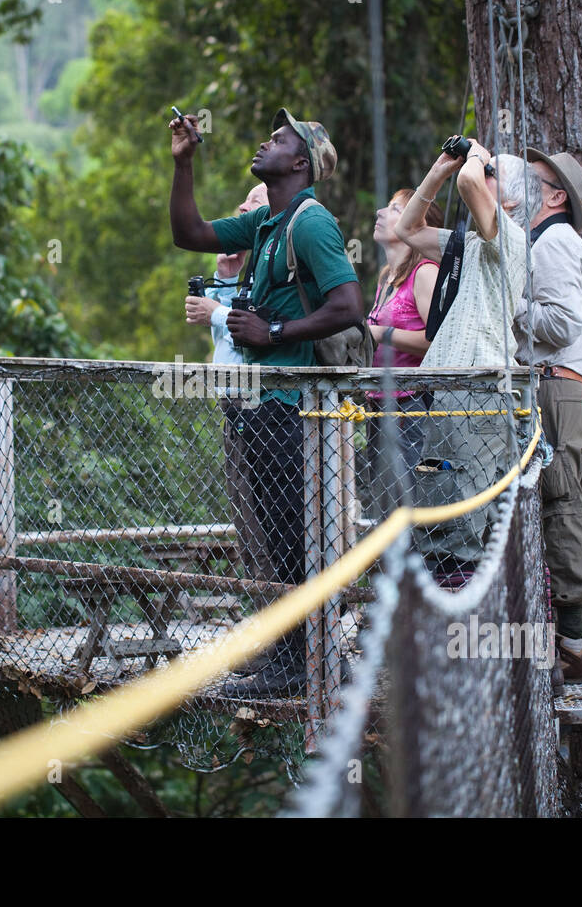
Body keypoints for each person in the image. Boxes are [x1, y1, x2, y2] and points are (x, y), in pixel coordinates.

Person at [169, 107, 364, 698]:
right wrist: (183, 164)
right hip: (261, 405)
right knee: (280, 539)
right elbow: (191, 235)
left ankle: (307, 660)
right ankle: (290, 655)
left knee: (295, 536)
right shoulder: (266, 225)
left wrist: (275, 334)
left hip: (292, 408)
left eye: (277, 138)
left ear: (300, 162)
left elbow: (349, 305)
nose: (265, 141)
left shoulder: (310, 224)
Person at [393, 139, 533, 583]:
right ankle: (445, 599)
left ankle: (461, 612)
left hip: (477, 397)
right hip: (450, 394)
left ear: (509, 200)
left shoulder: (509, 238)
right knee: (437, 487)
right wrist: (439, 169)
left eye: (494, 174)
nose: (481, 175)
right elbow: (408, 230)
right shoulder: (469, 245)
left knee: (461, 505)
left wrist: (476, 157)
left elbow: (471, 180)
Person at [516, 148, 582, 691]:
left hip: (552, 385)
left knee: (560, 505)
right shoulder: (556, 242)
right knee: (565, 502)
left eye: (535, 180)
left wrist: (510, 304)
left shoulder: (551, 242)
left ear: (555, 197)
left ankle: (573, 646)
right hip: (562, 388)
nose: (523, 184)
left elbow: (562, 323)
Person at [184, 183, 273, 583]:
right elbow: (229, 341)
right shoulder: (251, 263)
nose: (242, 205)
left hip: (263, 407)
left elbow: (259, 330)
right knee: (245, 518)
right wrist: (225, 276)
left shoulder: (279, 260)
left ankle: (285, 624)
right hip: (233, 408)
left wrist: (216, 310)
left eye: (254, 200)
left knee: (268, 519)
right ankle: (265, 617)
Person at [362, 190, 441, 521]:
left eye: (395, 208)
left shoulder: (424, 272)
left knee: (406, 508)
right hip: (380, 407)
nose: (381, 211)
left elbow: (437, 340)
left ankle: (413, 572)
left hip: (411, 408)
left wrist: (383, 334)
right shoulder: (386, 280)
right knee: (383, 508)